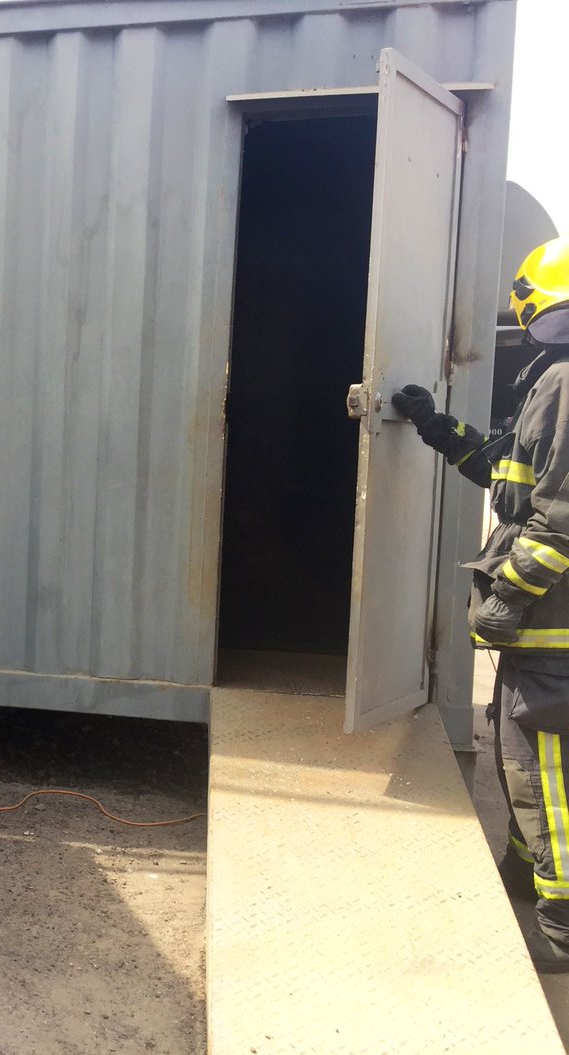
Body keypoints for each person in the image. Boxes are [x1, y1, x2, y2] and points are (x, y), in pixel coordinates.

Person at [393, 234, 569, 974]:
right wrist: (435, 426)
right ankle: (528, 873)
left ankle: (560, 925)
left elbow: (559, 517)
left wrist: (507, 594)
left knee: (545, 770)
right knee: (516, 746)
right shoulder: (552, 381)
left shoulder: (564, 380)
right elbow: (507, 472)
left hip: (554, 627)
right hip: (546, 631)